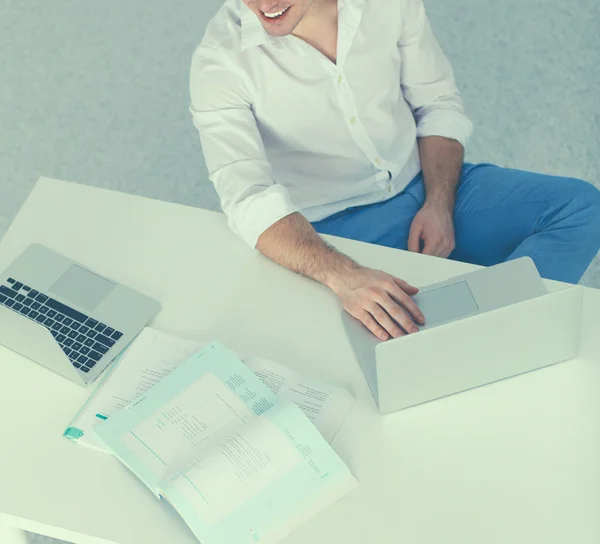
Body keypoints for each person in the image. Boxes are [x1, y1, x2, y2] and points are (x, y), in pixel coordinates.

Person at [189, 0, 600, 341]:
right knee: (339, 347)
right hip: (327, 233)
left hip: (424, 185)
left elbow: (436, 103)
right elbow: (248, 198)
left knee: (581, 208)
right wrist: (344, 276)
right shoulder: (220, 61)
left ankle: (490, 339)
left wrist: (440, 203)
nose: (265, 4)